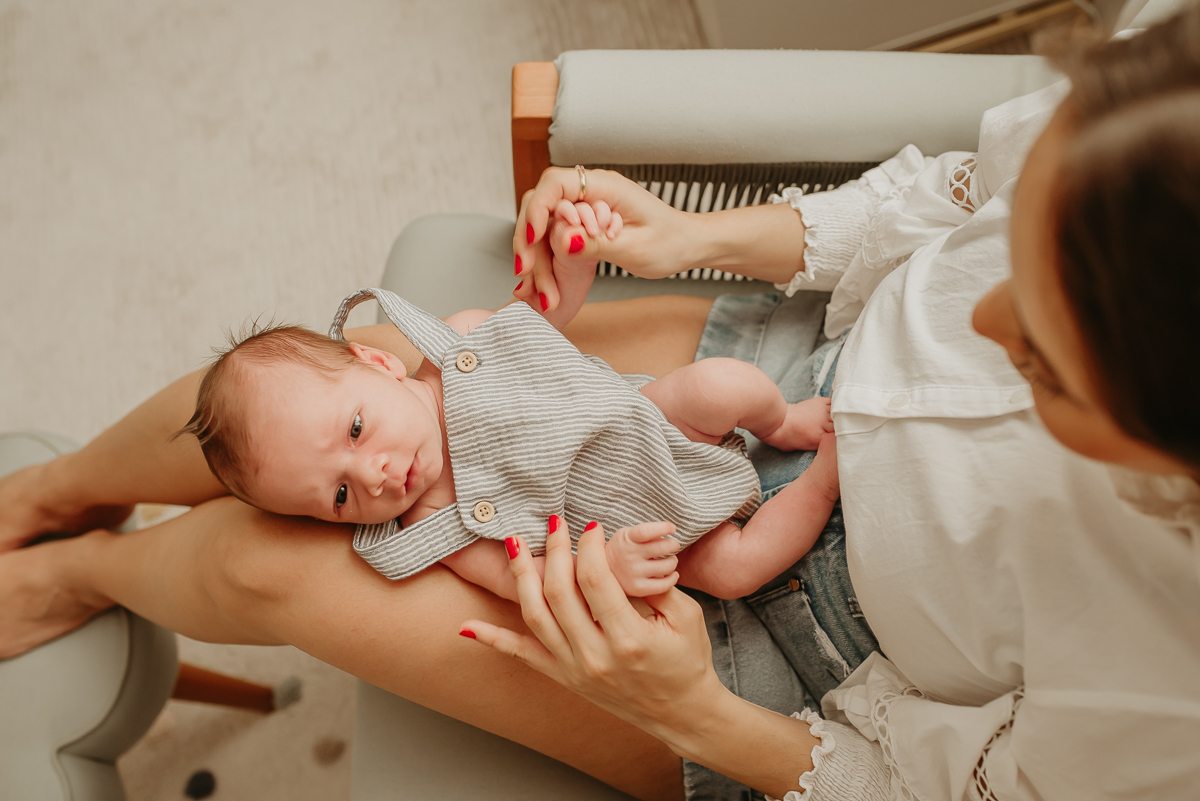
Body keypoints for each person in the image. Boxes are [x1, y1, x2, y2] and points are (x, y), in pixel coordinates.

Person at [2, 8, 1198, 800]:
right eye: (1010, 267)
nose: (983, 325)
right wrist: (691, 239)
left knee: (287, 562)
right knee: (317, 382)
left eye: (1038, 358)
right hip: (797, 369)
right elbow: (955, 190)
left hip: (799, 644)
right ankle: (57, 493)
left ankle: (79, 574)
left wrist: (687, 709)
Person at [174, 284, 836, 601]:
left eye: (355, 430)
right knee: (733, 571)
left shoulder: (459, 341)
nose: (372, 475)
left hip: (649, 418)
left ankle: (787, 424)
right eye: (338, 494)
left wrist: (558, 294)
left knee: (724, 385)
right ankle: (824, 478)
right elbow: (532, 586)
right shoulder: (432, 522)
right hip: (652, 531)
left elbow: (546, 341)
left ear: (379, 363)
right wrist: (605, 567)